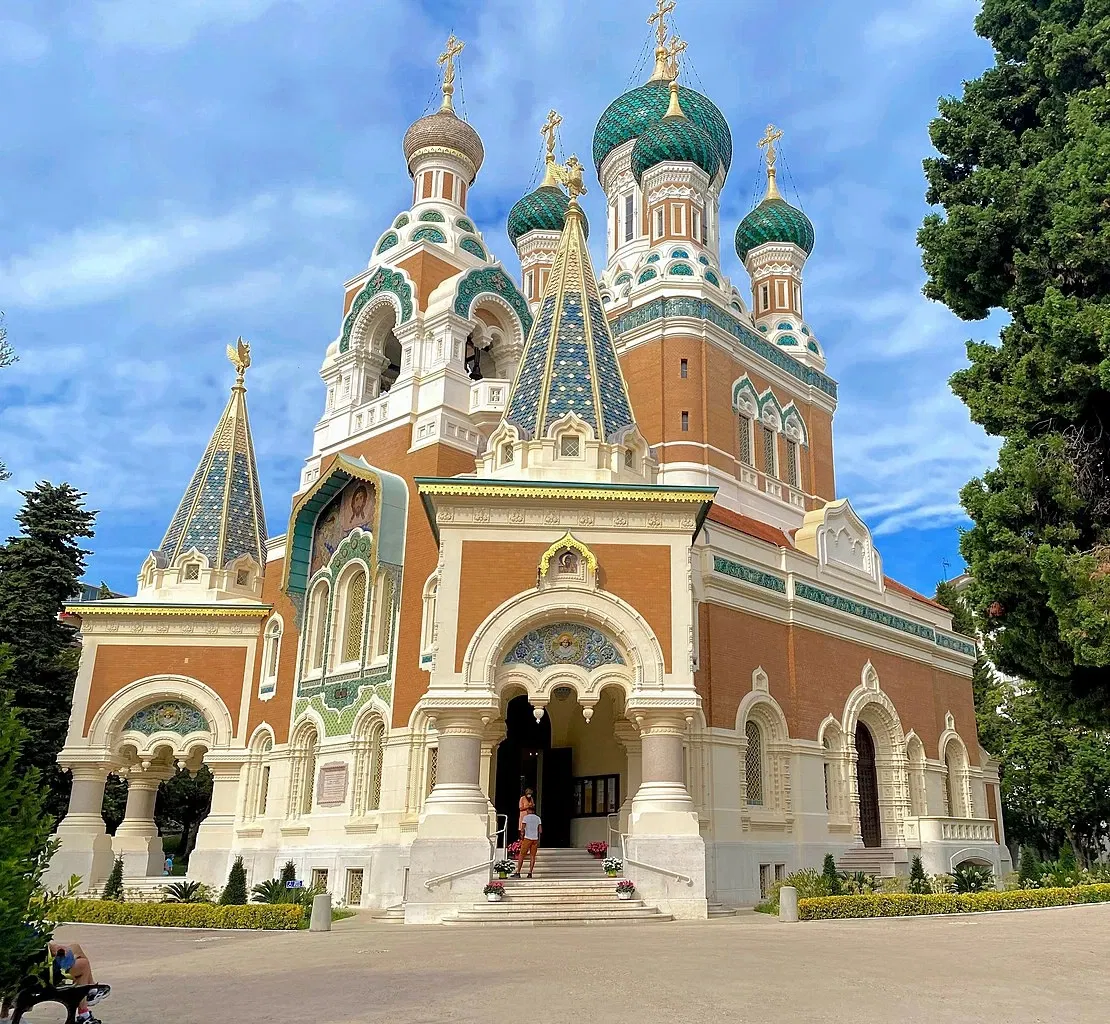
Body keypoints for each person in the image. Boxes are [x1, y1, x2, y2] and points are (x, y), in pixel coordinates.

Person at [516, 809, 542, 879]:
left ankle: (518, 872)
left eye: (527, 810)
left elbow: (522, 829)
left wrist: (521, 837)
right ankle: (530, 872)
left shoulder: (526, 818)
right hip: (535, 839)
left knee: (521, 855)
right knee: (532, 856)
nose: (526, 811)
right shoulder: (538, 818)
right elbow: (540, 830)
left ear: (529, 811)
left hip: (527, 838)